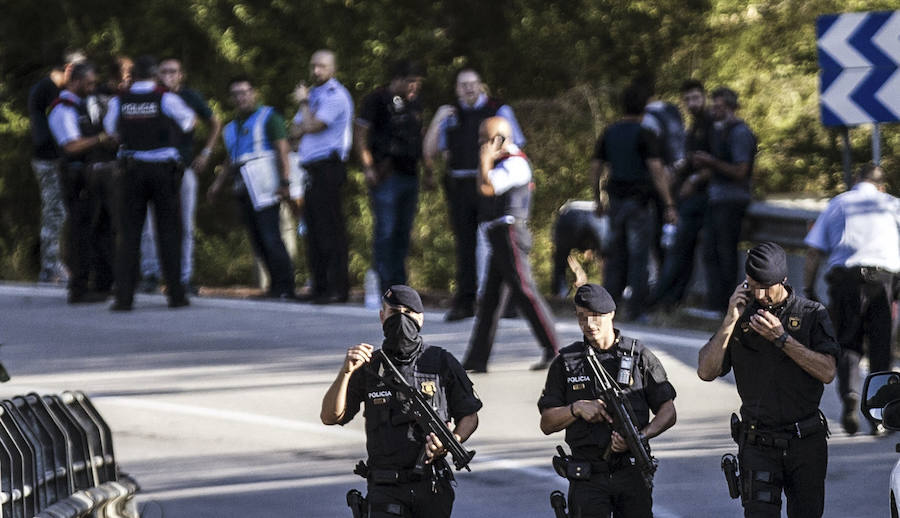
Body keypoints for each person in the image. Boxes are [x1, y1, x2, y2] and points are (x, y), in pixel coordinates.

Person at [698, 242, 839, 518]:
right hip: (758, 441)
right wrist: (730, 319)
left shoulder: (811, 314)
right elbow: (706, 371)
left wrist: (783, 340)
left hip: (804, 440)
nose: (760, 294)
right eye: (753, 285)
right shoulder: (740, 314)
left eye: (767, 286)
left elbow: (828, 371)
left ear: (784, 280)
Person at [321, 285, 481, 518]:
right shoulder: (369, 366)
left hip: (432, 484)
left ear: (421, 319)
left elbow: (469, 415)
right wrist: (345, 372)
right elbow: (330, 416)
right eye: (394, 313)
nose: (401, 319)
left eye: (408, 313)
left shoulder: (440, 361)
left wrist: (450, 441)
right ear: (382, 317)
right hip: (385, 487)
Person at [538, 283, 677, 518]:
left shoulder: (638, 356)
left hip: (630, 471)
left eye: (595, 317)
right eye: (582, 317)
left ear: (611, 314)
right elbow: (547, 423)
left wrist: (641, 436)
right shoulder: (566, 362)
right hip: (588, 476)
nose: (589, 325)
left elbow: (668, 411)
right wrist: (576, 409)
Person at [804, 163, 900, 435]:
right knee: (882, 348)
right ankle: (880, 416)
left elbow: (813, 252)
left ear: (857, 180)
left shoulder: (838, 204)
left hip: (845, 282)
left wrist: (809, 289)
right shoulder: (892, 205)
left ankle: (849, 394)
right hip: (884, 283)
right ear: (882, 186)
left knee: (847, 343)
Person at [425, 67, 527, 321]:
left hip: (492, 183)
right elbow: (429, 152)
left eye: (473, 83)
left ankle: (507, 301)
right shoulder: (450, 115)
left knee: (497, 242)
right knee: (465, 245)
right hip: (460, 185)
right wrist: (437, 120)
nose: (469, 88)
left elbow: (515, 144)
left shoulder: (498, 110)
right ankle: (466, 301)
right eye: (463, 84)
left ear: (481, 85)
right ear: (457, 89)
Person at [461, 116, 558, 372]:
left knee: (525, 291)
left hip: (510, 234)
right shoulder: (499, 162)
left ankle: (554, 349)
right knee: (491, 300)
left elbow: (488, 187)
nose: (482, 144)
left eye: (486, 139)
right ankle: (477, 358)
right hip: (498, 235)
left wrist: (485, 159)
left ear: (501, 139)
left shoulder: (515, 163)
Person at [104, 55, 195, 311]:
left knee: (129, 234)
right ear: (155, 75)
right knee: (169, 232)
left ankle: (124, 297)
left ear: (132, 76)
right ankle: (176, 295)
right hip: (163, 171)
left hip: (132, 170)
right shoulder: (166, 98)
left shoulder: (119, 101)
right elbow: (189, 121)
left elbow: (110, 130)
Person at [592, 83, 677, 321]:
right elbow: (657, 170)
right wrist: (669, 203)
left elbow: (596, 167)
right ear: (644, 109)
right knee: (639, 256)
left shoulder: (610, 132)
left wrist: (597, 197)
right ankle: (636, 309)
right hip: (639, 202)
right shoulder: (644, 134)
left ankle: (607, 306)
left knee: (615, 255)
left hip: (615, 201)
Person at [140, 57, 222, 295]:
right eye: (163, 71)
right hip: (153, 167)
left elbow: (214, 122)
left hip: (182, 166)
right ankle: (151, 274)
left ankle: (184, 277)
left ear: (181, 74)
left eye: (173, 71)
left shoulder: (190, 97)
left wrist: (206, 153)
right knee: (150, 224)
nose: (168, 75)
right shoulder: (151, 96)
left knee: (185, 224)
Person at [209, 76, 296, 300]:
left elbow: (282, 149)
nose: (241, 97)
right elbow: (231, 159)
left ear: (254, 93)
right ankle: (274, 285)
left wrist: (285, 182)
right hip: (244, 186)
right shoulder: (231, 127)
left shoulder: (268, 117)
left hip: (265, 184)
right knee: (257, 238)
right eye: (236, 93)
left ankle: (285, 285)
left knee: (270, 235)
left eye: (245, 92)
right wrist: (217, 185)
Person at [355, 59, 428, 294]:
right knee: (385, 232)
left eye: (417, 83)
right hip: (386, 174)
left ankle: (399, 285)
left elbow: (421, 136)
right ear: (397, 80)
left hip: (410, 174)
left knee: (403, 232)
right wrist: (367, 167)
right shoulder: (377, 100)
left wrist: (428, 170)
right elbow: (360, 134)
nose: (414, 88)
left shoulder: (415, 103)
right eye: (410, 82)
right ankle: (382, 283)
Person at [47, 61, 117, 303]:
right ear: (75, 82)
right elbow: (71, 145)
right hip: (76, 179)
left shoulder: (83, 105)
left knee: (100, 230)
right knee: (81, 232)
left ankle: (102, 283)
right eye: (88, 83)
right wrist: (100, 139)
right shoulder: (62, 109)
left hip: (93, 176)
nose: (92, 87)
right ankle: (79, 287)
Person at [291, 49, 354, 304]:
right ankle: (319, 286)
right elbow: (294, 130)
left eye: (322, 66)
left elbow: (310, 126)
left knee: (330, 229)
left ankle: (337, 288)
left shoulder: (335, 96)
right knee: (314, 230)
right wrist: (305, 113)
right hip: (311, 169)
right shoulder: (314, 95)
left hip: (329, 166)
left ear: (333, 69)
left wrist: (304, 105)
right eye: (314, 65)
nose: (317, 71)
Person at [649, 79, 715, 310]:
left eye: (695, 98)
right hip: (690, 196)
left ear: (703, 97)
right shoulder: (693, 127)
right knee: (682, 250)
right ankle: (672, 298)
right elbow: (689, 159)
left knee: (680, 249)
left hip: (704, 196)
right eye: (687, 99)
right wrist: (676, 171)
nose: (692, 103)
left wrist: (695, 179)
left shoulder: (711, 124)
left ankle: (661, 297)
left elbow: (716, 161)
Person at [693, 87, 757, 313]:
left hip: (732, 200)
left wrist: (711, 162)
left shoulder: (739, 133)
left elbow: (740, 171)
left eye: (718, 107)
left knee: (725, 253)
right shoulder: (720, 132)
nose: (714, 111)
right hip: (717, 199)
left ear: (730, 108)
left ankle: (727, 304)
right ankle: (715, 302)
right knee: (712, 251)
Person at [28, 49, 86, 283]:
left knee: (59, 211)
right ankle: (50, 266)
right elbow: (49, 132)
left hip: (52, 158)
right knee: (54, 211)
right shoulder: (48, 91)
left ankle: (53, 263)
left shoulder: (48, 89)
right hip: (49, 159)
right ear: (69, 69)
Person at [551, 200, 608, 298]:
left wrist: (578, 271)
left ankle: (561, 295)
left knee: (560, 257)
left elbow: (564, 252)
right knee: (609, 259)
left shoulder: (569, 211)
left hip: (569, 214)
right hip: (596, 216)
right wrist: (578, 271)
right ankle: (610, 296)